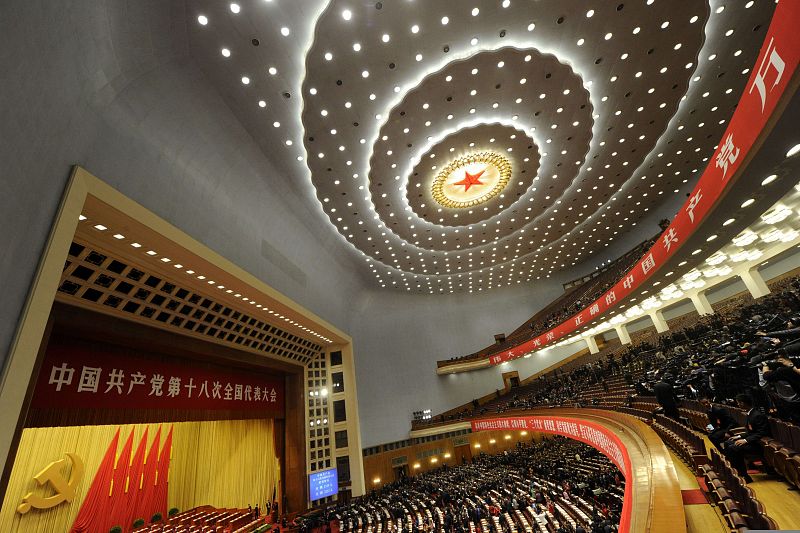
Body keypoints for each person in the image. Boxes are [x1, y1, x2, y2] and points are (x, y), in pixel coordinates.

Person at [722, 393, 771, 482]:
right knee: (728, 442)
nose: (737, 405)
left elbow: (762, 433)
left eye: (738, 403)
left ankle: (744, 476)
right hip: (753, 441)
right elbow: (750, 431)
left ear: (743, 403)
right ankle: (734, 471)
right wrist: (739, 436)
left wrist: (745, 440)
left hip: (759, 444)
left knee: (734, 448)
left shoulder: (757, 415)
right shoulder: (750, 414)